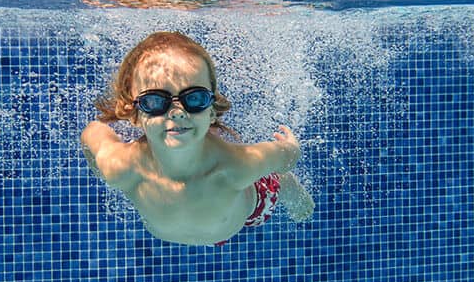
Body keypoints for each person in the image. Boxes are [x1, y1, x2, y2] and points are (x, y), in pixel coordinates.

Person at [81, 31, 315, 246]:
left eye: (194, 99)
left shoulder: (236, 166)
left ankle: (288, 186)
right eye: (154, 101)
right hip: (216, 222)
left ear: (212, 110)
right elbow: (91, 133)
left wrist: (290, 147)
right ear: (133, 114)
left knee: (283, 185)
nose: (177, 112)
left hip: (251, 211)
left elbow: (286, 158)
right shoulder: (120, 167)